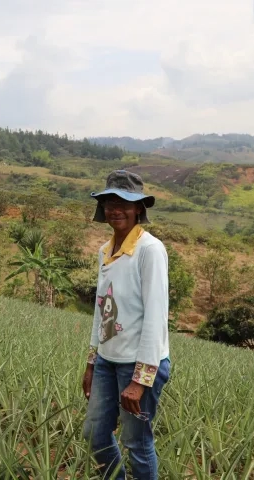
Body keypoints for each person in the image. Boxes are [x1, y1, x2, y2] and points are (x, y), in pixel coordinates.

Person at [81, 170, 171, 480]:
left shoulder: (150, 250)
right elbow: (102, 309)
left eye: (124, 202)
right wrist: (92, 362)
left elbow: (156, 317)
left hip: (138, 364)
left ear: (138, 209)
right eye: (109, 202)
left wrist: (140, 379)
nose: (115, 209)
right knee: (94, 434)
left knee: (137, 442)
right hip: (107, 361)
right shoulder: (105, 252)